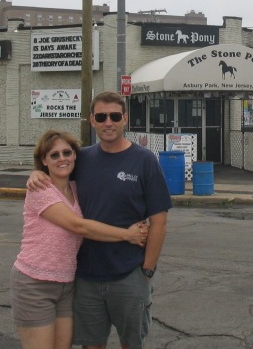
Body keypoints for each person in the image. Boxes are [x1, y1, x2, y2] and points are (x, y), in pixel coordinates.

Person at [27, 91, 173, 349]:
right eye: (102, 116)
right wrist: (34, 174)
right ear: (92, 121)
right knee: (91, 345)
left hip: (129, 274)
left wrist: (146, 271)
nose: (108, 122)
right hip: (85, 277)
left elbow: (159, 222)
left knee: (132, 343)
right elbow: (55, 168)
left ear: (125, 119)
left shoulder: (145, 161)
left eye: (115, 116)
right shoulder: (81, 159)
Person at [11, 129, 148, 349]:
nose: (62, 158)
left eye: (67, 152)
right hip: (35, 283)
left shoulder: (76, 188)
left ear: (76, 155)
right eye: (54, 155)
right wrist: (127, 235)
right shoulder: (41, 191)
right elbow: (79, 226)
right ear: (44, 160)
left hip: (67, 285)